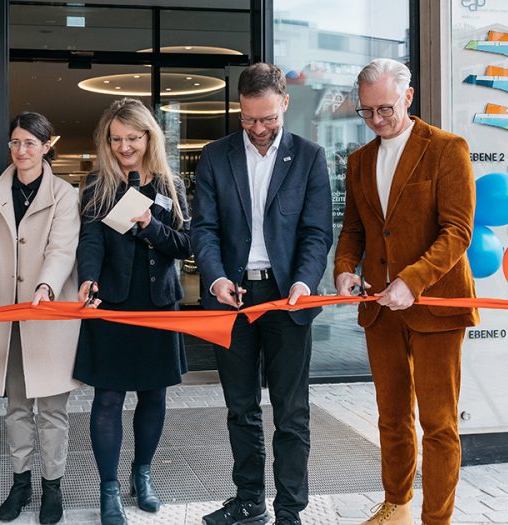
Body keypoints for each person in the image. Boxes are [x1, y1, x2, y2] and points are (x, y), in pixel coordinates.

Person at [334, 58, 478, 525]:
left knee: (439, 425)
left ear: (409, 97)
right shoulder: (358, 160)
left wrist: (412, 281)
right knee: (391, 418)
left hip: (435, 306)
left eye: (386, 110)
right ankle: (395, 506)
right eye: (367, 111)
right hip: (380, 309)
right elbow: (353, 229)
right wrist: (342, 270)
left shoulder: (447, 149)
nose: (376, 120)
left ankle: (437, 520)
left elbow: (458, 231)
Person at [191, 62, 332, 525]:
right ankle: (249, 500)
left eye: (268, 118)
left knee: (291, 412)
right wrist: (214, 278)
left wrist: (304, 282)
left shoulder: (310, 157)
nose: (258, 129)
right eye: (249, 119)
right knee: (240, 407)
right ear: (239, 109)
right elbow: (204, 229)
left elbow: (316, 233)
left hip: (286, 296)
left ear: (284, 104)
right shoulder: (215, 156)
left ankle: (289, 510)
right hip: (231, 296)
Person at [75, 97, 191, 525]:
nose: (125, 147)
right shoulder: (97, 185)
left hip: (159, 302)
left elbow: (187, 244)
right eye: (117, 139)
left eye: (133, 138)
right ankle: (108, 490)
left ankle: (142, 475)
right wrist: (88, 278)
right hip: (113, 302)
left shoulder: (169, 185)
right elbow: (89, 242)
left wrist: (150, 224)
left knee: (153, 394)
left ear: (149, 137)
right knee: (107, 397)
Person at [0, 112, 81, 525]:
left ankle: (53, 485)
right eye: (16, 142)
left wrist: (47, 287)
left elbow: (62, 250)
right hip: (8, 316)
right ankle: (21, 483)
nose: (22, 151)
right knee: (16, 407)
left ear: (47, 146)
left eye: (31, 143)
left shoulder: (65, 195)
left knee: (51, 410)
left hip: (47, 315)